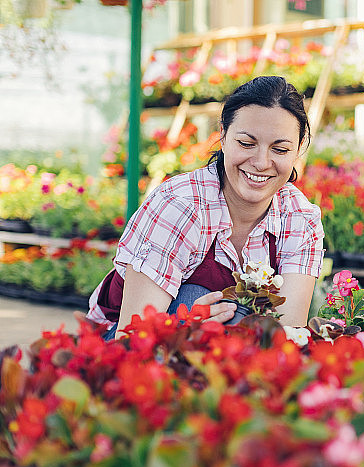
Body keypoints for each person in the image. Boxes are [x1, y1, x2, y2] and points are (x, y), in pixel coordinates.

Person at [86, 76, 324, 339]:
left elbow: (286, 335)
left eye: (279, 149)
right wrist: (184, 323)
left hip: (220, 354)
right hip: (125, 342)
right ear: (223, 136)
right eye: (246, 143)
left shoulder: (301, 218)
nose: (261, 162)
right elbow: (131, 336)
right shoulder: (180, 206)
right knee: (197, 297)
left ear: (299, 149)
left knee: (249, 323)